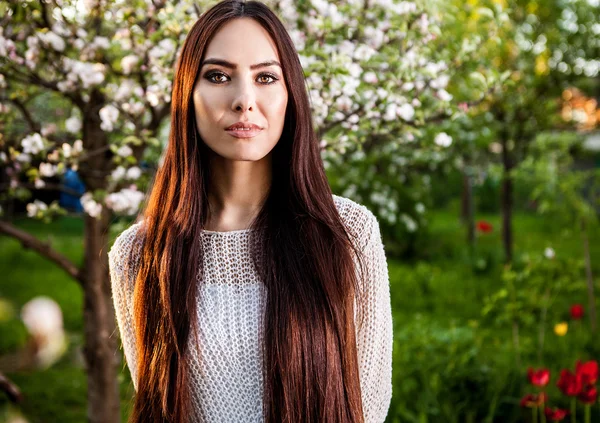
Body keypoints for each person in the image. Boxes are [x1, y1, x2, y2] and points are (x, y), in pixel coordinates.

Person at [108, 1, 392, 422]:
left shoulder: (347, 233)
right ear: (188, 95)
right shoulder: (140, 254)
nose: (244, 100)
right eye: (219, 76)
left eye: (265, 77)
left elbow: (367, 405)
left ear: (289, 94)